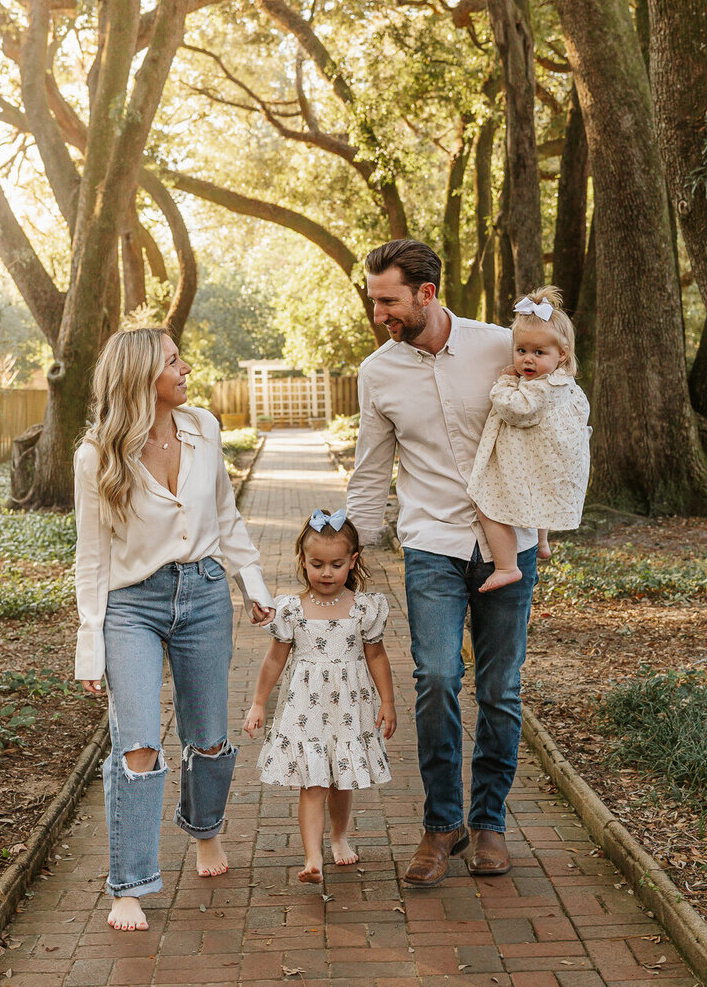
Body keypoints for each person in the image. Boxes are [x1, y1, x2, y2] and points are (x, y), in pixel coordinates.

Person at [344, 238, 539, 887]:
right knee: (434, 676)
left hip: (510, 541)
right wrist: (351, 552)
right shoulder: (377, 374)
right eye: (374, 301)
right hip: (431, 543)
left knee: (500, 690)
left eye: (388, 301)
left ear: (426, 294)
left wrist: (548, 510)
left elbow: (552, 421)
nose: (379, 314)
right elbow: (370, 470)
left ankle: (489, 823)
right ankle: (441, 822)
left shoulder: (497, 346)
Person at [73, 326, 275, 932]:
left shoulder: (204, 427)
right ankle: (129, 885)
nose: (185, 368)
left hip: (206, 594)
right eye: (172, 361)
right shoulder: (97, 455)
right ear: (140, 378)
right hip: (131, 605)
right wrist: (89, 646)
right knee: (137, 743)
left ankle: (205, 832)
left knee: (209, 735)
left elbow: (226, 513)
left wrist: (254, 585)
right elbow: (91, 557)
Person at [243, 510, 397, 883]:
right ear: (303, 561)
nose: (326, 573)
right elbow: (274, 660)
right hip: (305, 709)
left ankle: (338, 836)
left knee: (340, 780)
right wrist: (259, 703)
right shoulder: (291, 610)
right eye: (317, 564)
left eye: (336, 564)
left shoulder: (364, 608)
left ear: (353, 561)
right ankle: (312, 859)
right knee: (313, 781)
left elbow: (376, 655)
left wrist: (388, 703)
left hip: (349, 707)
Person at [468, 287, 593, 592]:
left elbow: (515, 409)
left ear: (561, 354)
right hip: (549, 463)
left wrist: (506, 381)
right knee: (540, 494)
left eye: (539, 353)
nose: (527, 360)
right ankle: (542, 541)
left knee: (486, 501)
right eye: (521, 350)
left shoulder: (539, 388)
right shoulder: (563, 383)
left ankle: (507, 566)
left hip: (531, 460)